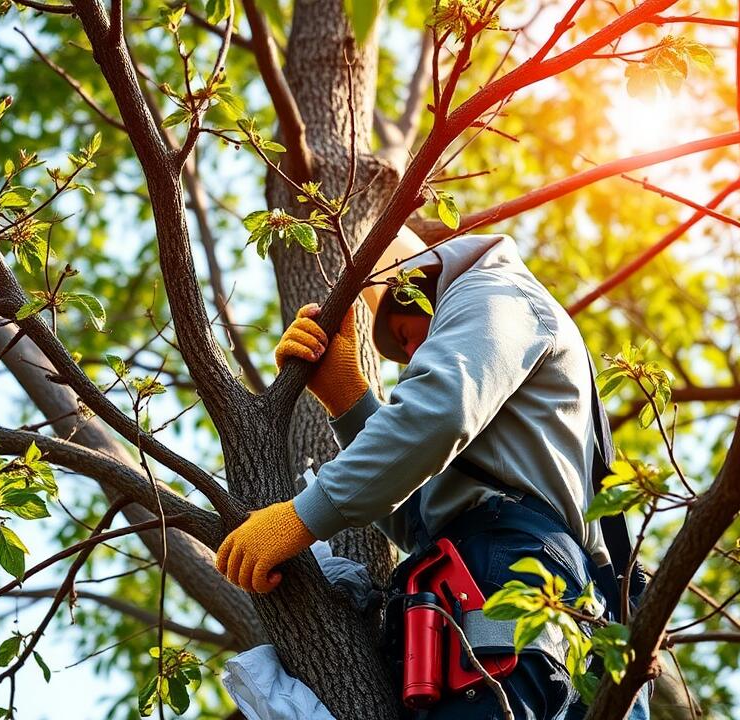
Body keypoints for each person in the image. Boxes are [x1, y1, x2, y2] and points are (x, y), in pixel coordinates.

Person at [215, 228, 650, 719]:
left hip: (512, 567)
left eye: (406, 335)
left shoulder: (494, 290)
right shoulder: (499, 417)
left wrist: (302, 516)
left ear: (421, 282)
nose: (414, 357)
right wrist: (348, 400)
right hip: (521, 585)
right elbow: (418, 518)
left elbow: (439, 415)